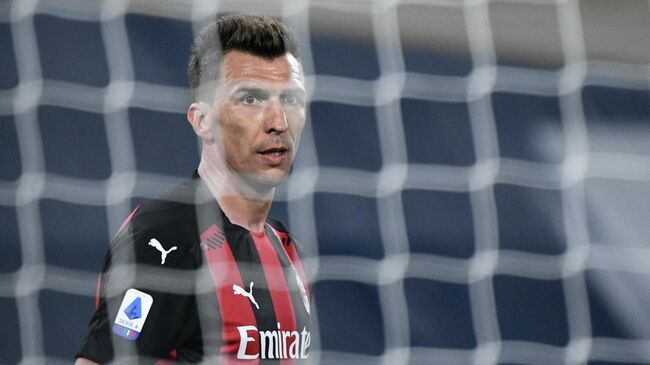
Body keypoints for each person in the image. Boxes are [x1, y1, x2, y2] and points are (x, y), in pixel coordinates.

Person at [75, 13, 311, 364]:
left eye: (290, 100)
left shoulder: (286, 249)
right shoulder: (166, 240)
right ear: (202, 121)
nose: (278, 123)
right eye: (251, 99)